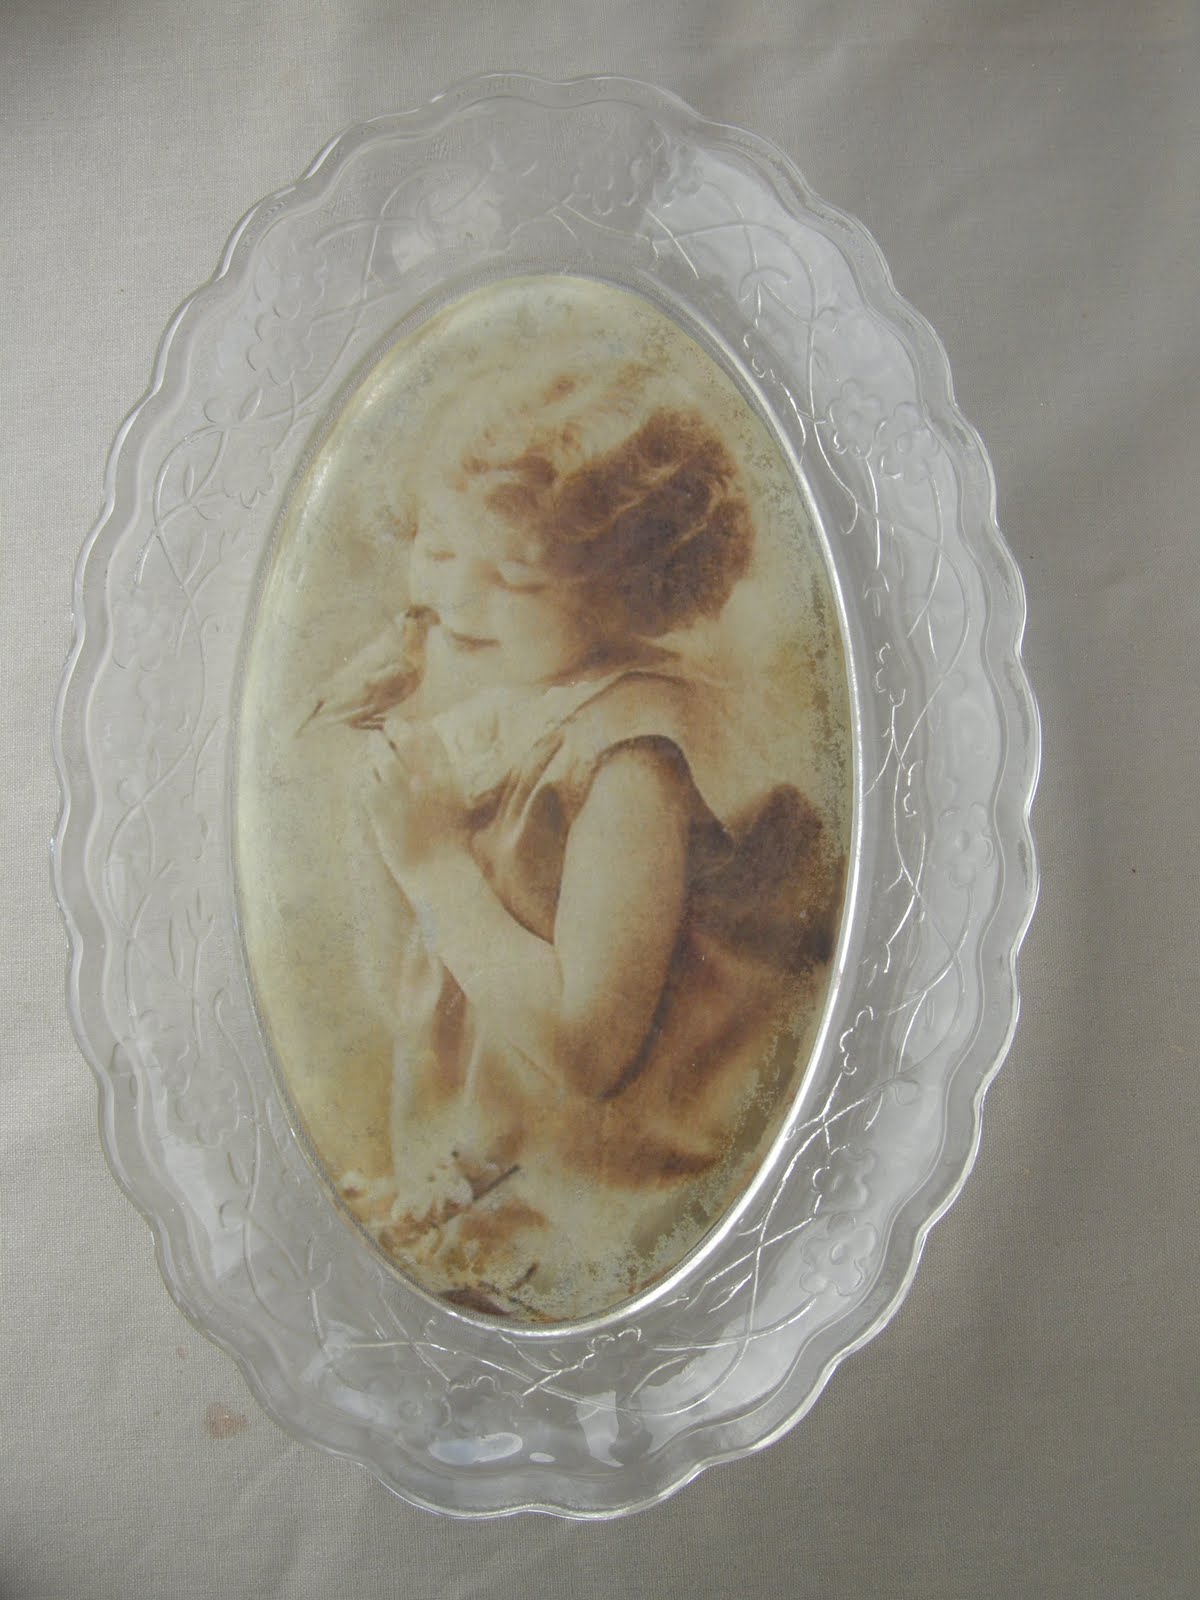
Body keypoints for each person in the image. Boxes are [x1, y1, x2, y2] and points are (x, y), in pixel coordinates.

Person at [323, 365, 843, 1322]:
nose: (454, 596)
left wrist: (431, 858)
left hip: (616, 1195)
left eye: (515, 578)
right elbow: (404, 985)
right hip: (506, 1173)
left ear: (623, 597)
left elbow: (587, 1048)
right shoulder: (515, 703)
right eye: (439, 546)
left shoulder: (636, 760)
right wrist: (388, 818)